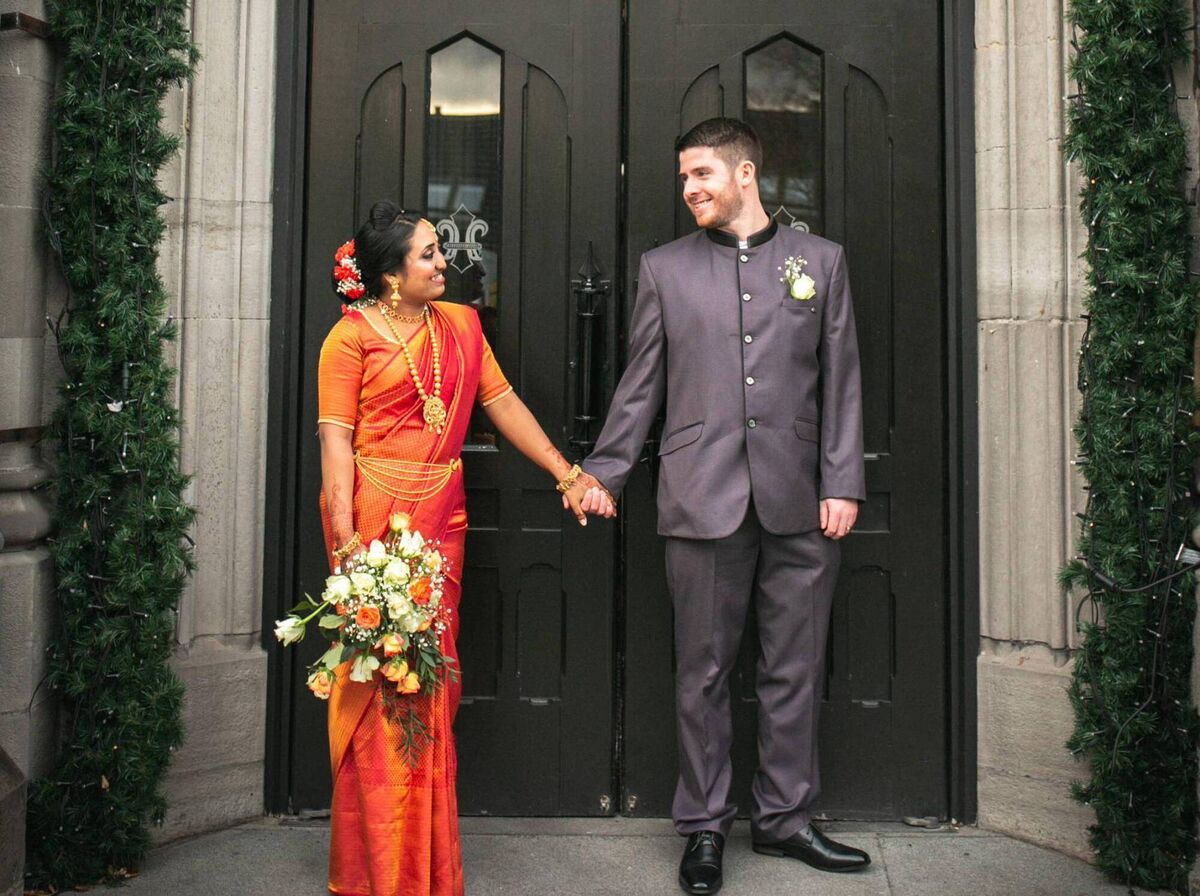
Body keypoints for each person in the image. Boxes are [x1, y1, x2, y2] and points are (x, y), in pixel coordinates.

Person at [578, 118, 870, 894]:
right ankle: (704, 826)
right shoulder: (663, 270)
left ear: (746, 175)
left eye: (702, 174)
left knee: (794, 668)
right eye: (683, 178)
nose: (690, 189)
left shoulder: (821, 262)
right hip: (701, 497)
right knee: (702, 673)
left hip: (803, 499)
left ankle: (785, 819)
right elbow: (641, 386)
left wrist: (841, 482)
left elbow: (842, 380)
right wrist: (603, 473)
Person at [317, 200, 610, 896]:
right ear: (390, 276)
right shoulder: (349, 339)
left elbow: (503, 404)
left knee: (430, 682)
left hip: (442, 520)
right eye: (426, 253)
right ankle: (381, 871)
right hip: (375, 523)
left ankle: (429, 867)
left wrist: (567, 474)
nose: (442, 260)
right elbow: (334, 440)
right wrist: (347, 540)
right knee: (382, 686)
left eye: (436, 251)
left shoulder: (463, 326)